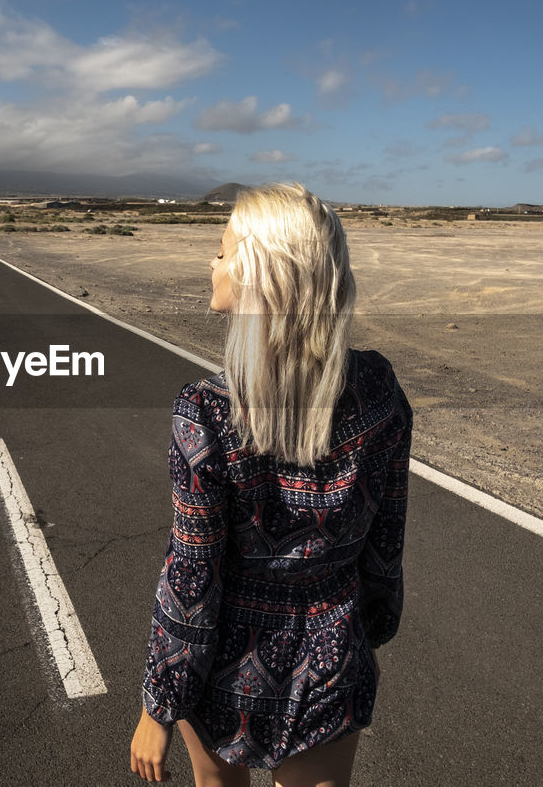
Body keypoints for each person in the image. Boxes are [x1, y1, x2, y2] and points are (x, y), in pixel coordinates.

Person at [129, 183, 412, 786]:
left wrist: (160, 701)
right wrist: (371, 630)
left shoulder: (205, 414)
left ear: (261, 275)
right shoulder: (378, 390)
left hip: (224, 662)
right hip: (331, 653)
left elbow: (193, 574)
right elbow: (386, 539)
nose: (213, 262)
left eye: (224, 250)